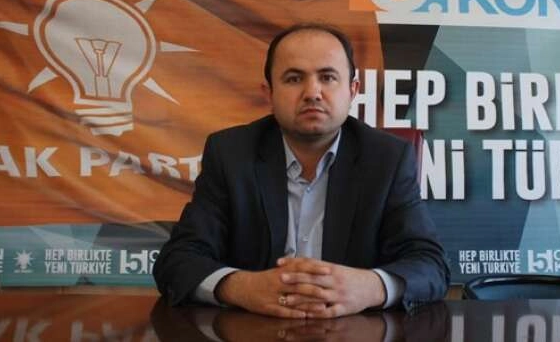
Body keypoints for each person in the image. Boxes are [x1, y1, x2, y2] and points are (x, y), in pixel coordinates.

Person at [153, 23, 449, 318]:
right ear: (269, 93)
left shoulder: (387, 159)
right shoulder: (231, 154)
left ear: (353, 90)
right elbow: (178, 260)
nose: (312, 93)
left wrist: (370, 287)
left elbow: (430, 264)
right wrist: (241, 287)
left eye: (327, 77)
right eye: (294, 78)